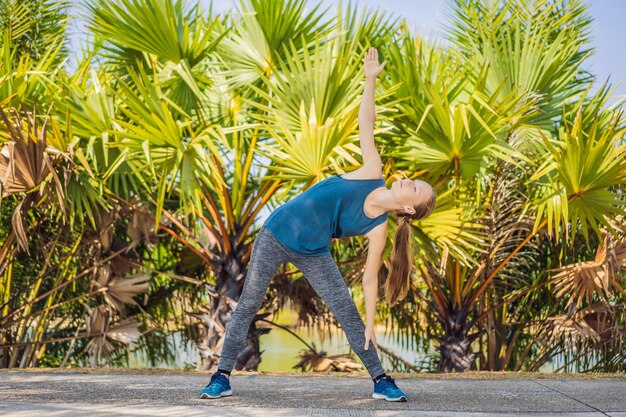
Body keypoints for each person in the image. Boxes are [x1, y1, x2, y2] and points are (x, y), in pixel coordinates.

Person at [200, 47, 437, 402]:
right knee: (248, 302)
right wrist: (370, 80)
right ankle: (221, 376)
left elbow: (371, 279)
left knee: (348, 313)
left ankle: (381, 380)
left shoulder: (379, 228)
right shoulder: (373, 172)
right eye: (414, 181)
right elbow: (366, 124)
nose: (409, 181)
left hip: (314, 252)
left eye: (415, 189)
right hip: (276, 233)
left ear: (407, 206)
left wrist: (372, 321)